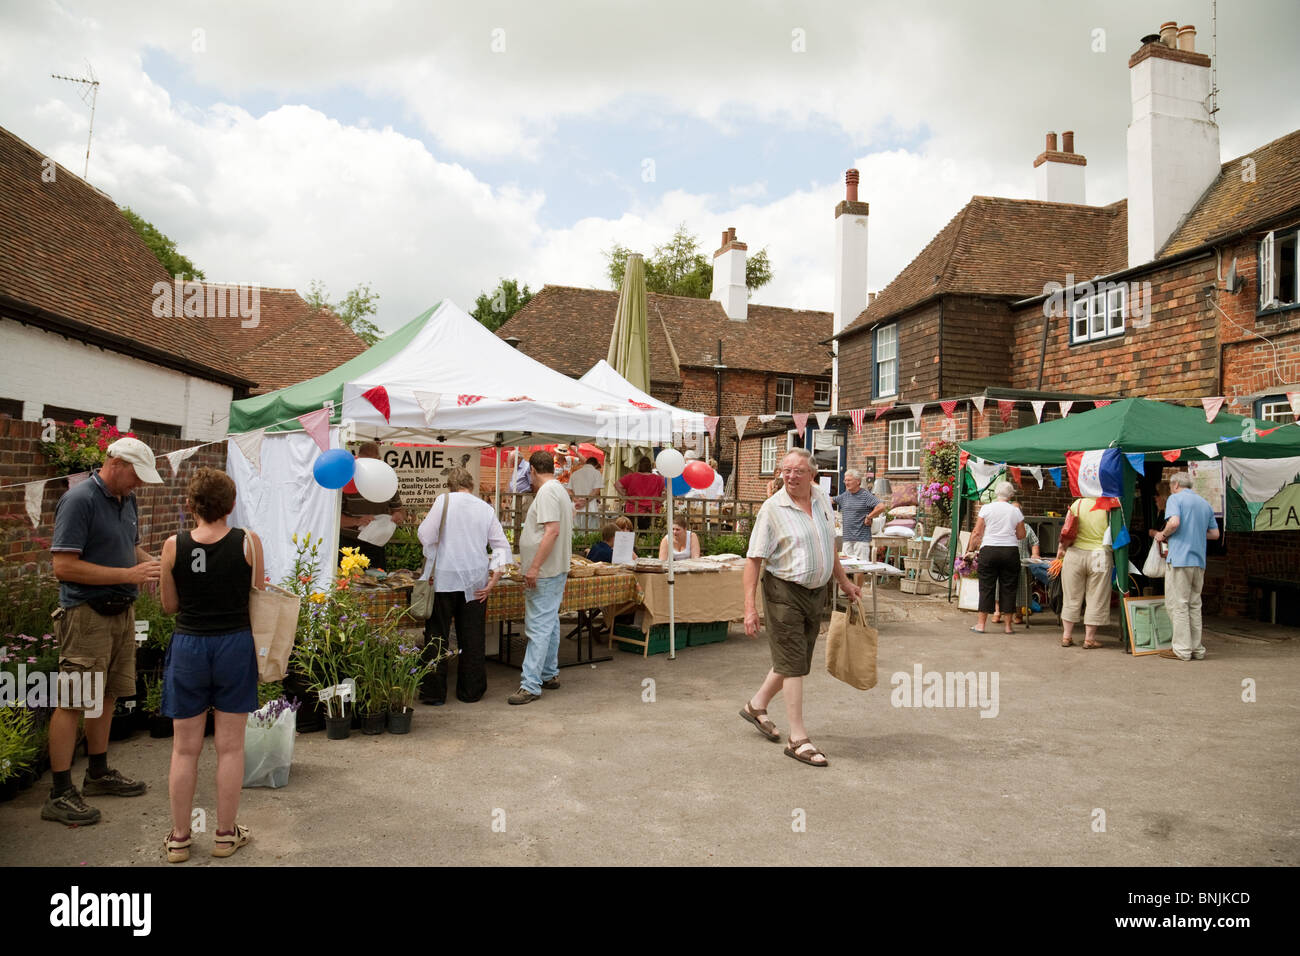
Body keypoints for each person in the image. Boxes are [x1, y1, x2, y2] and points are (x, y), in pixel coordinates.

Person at [44, 436, 162, 826]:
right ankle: (59, 792)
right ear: (115, 463)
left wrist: (160, 564)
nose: (140, 485)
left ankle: (98, 773)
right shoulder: (79, 501)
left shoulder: (126, 500)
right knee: (74, 700)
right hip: (86, 613)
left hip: (120, 611)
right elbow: (64, 566)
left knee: (108, 695)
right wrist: (128, 575)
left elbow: (129, 548)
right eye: (136, 476)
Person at [158, 467, 263, 862]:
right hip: (234, 644)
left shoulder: (173, 545)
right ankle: (223, 834)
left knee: (184, 749)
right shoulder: (248, 542)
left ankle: (181, 838)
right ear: (231, 505)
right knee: (231, 748)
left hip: (189, 646)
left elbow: (169, 607)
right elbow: (259, 599)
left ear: (190, 505)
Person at [741, 448, 862, 768]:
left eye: (797, 471)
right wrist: (749, 608)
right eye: (785, 471)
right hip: (783, 592)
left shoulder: (822, 498)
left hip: (815, 593)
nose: (790, 476)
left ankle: (756, 706)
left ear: (813, 474)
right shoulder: (772, 509)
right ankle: (798, 739)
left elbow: (828, 546)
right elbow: (753, 560)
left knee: (793, 660)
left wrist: (845, 582)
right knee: (794, 662)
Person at [417, 467, 511, 704]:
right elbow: (501, 545)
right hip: (475, 580)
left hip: (444, 578)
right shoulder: (485, 508)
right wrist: (493, 580)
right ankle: (471, 691)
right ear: (472, 485)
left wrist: (437, 548)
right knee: (472, 637)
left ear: (450, 485)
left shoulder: (444, 500)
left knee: (437, 636)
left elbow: (425, 534)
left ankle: (434, 693)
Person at [509, 451, 573, 704]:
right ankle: (548, 673)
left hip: (545, 570)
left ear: (533, 470)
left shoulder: (547, 492)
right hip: (555, 568)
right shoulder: (560, 491)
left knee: (538, 627)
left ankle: (531, 684)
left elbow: (552, 531)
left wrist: (534, 567)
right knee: (550, 622)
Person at [1155, 472, 1219, 661]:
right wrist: (1196, 533)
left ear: (1175, 485)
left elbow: (1174, 522)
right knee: (1194, 604)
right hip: (1199, 560)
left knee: (1179, 604)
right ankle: (1196, 648)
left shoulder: (1175, 499)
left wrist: (1163, 534)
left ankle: (1181, 649)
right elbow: (1215, 534)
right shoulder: (1204, 503)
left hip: (1180, 558)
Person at [965, 481, 1026, 635]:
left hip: (989, 550)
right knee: (1009, 588)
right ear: (1011, 495)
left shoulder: (986, 508)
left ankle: (981, 625)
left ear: (996, 493)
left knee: (986, 587)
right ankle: (1008, 627)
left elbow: (977, 533)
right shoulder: (1015, 511)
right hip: (1010, 552)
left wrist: (970, 550)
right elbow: (1021, 535)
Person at [1055, 494, 1113, 648]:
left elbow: (1066, 529)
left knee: (1071, 596)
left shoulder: (1078, 504)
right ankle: (1089, 638)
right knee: (1097, 596)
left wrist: (1061, 549)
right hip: (1100, 554)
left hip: (1075, 554)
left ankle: (1067, 636)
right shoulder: (1110, 505)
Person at [338, 442, 405, 569]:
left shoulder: (386, 481)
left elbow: (400, 510)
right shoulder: (348, 480)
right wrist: (357, 521)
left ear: (379, 460)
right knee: (348, 584)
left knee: (378, 584)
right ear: (358, 458)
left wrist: (398, 515)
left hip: (377, 543)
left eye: (372, 461)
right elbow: (335, 519)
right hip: (349, 544)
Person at [992, 523, 1048, 625]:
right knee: (999, 585)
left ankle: (1018, 613)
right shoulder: (1003, 524)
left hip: (1021, 560)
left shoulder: (1025, 527)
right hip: (1004, 559)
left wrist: (1035, 554)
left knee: (1021, 587)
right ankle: (997, 611)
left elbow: (1034, 541)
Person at [833, 468, 887, 560]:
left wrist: (869, 516)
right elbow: (831, 500)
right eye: (845, 480)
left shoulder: (865, 495)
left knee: (860, 568)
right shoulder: (845, 495)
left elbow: (881, 507)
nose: (846, 483)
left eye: (849, 480)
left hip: (861, 539)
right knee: (847, 569)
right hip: (847, 538)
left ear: (858, 481)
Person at [616, 455, 665, 531]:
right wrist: (660, 500)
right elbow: (666, 492)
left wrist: (625, 496)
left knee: (631, 533)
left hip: (632, 510)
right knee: (648, 535)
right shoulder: (658, 479)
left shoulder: (631, 477)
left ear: (639, 465)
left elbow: (617, 485)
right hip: (651, 511)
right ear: (650, 466)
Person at [569, 455, 604, 532]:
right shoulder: (597, 473)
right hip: (590, 507)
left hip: (576, 507)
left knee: (576, 532)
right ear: (595, 465)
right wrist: (585, 501)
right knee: (590, 533)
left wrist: (576, 500)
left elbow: (569, 490)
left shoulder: (575, 473)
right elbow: (596, 491)